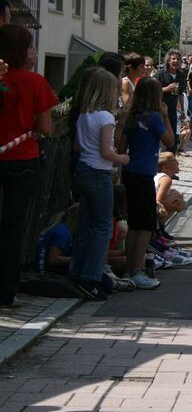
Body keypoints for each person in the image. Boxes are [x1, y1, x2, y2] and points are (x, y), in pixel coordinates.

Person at [0, 25, 58, 307]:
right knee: (14, 227)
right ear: (22, 51)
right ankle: (6, 291)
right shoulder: (35, 82)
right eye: (31, 47)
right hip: (22, 160)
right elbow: (46, 127)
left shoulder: (3, 78)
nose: (34, 52)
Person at [71, 69, 130, 300]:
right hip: (99, 173)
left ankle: (77, 272)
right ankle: (91, 277)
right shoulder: (106, 117)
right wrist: (122, 158)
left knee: (85, 225)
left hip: (83, 169)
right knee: (102, 227)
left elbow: (77, 146)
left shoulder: (84, 115)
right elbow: (107, 152)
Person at [118, 77, 173, 289]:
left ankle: (129, 268)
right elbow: (169, 141)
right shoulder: (155, 117)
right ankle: (137, 270)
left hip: (130, 171)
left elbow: (122, 147)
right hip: (144, 173)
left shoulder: (131, 116)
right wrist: (166, 116)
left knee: (134, 223)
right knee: (147, 225)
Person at [155, 49, 187, 154]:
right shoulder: (160, 73)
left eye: (178, 59)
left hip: (172, 109)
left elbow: (181, 94)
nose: (176, 61)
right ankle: (157, 156)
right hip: (159, 108)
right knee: (158, 133)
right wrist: (166, 89)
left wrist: (182, 111)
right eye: (173, 59)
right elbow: (152, 90)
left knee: (172, 135)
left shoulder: (181, 75)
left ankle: (170, 158)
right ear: (168, 60)